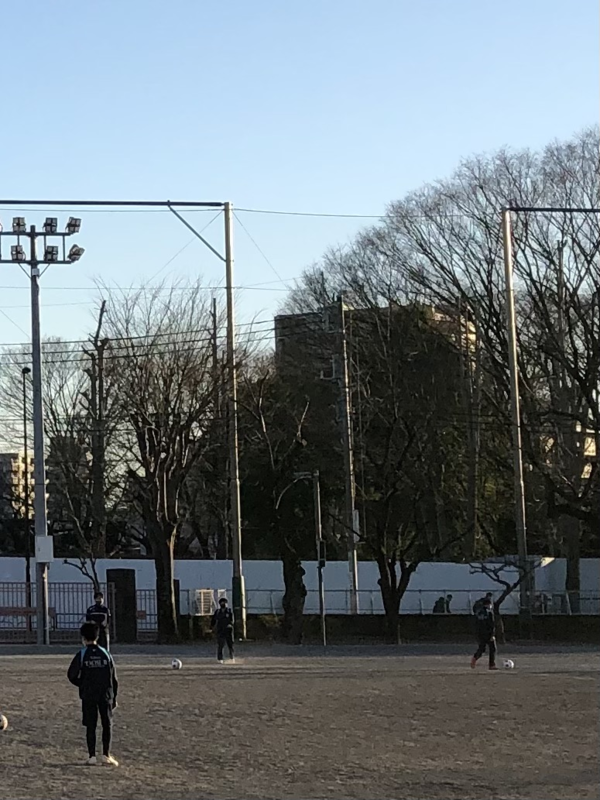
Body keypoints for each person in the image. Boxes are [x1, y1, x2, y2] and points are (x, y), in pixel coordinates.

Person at [67, 621, 119, 766]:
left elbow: (71, 675)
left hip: (88, 695)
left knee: (91, 725)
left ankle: (92, 756)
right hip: (105, 695)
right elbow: (113, 678)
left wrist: (82, 684)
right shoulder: (106, 654)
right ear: (97, 636)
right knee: (107, 724)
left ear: (83, 638)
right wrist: (114, 696)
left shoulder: (82, 654)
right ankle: (106, 755)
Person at [470, 596, 498, 670]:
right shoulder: (489, 613)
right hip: (488, 633)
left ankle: (475, 657)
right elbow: (492, 625)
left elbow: (475, 623)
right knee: (493, 648)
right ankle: (491, 665)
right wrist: (492, 635)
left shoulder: (478, 613)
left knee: (482, 648)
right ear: (488, 604)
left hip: (480, 633)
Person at [211, 596, 235, 663]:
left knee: (230, 644)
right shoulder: (218, 612)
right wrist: (212, 627)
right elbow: (213, 620)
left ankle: (231, 657)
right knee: (220, 645)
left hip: (228, 630)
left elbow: (232, 620)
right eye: (222, 603)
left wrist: (230, 624)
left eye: (224, 603)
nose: (223, 604)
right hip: (220, 630)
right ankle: (220, 658)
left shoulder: (229, 611)